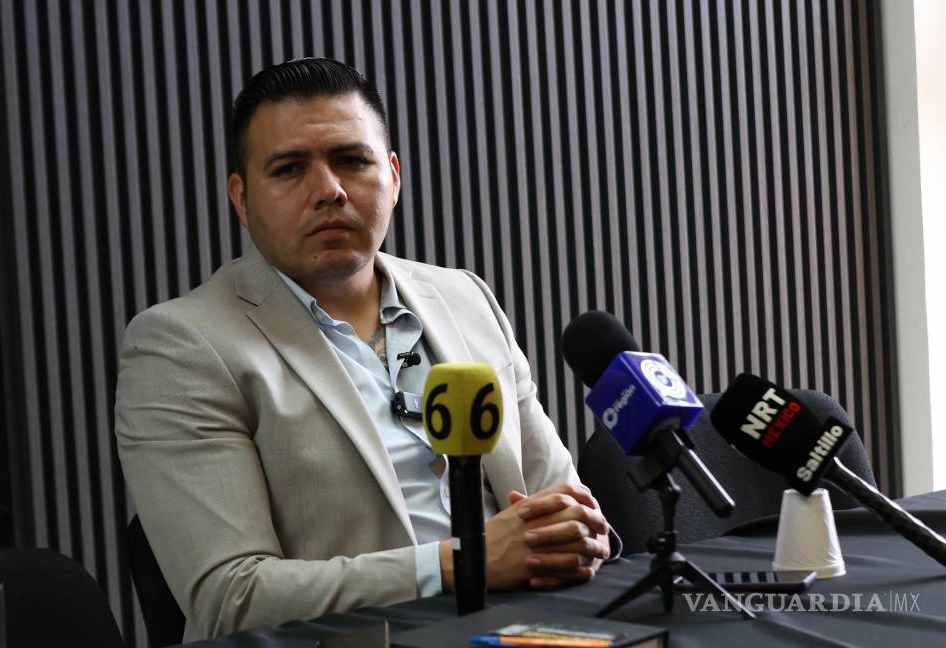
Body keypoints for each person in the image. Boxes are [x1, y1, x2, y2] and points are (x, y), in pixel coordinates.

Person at [115, 57, 618, 642]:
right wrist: (462, 562)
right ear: (242, 200)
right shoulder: (182, 346)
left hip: (533, 628)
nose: (329, 190)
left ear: (394, 177)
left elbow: (563, 501)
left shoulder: (465, 297)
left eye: (352, 161)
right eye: (289, 169)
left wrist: (579, 534)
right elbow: (233, 598)